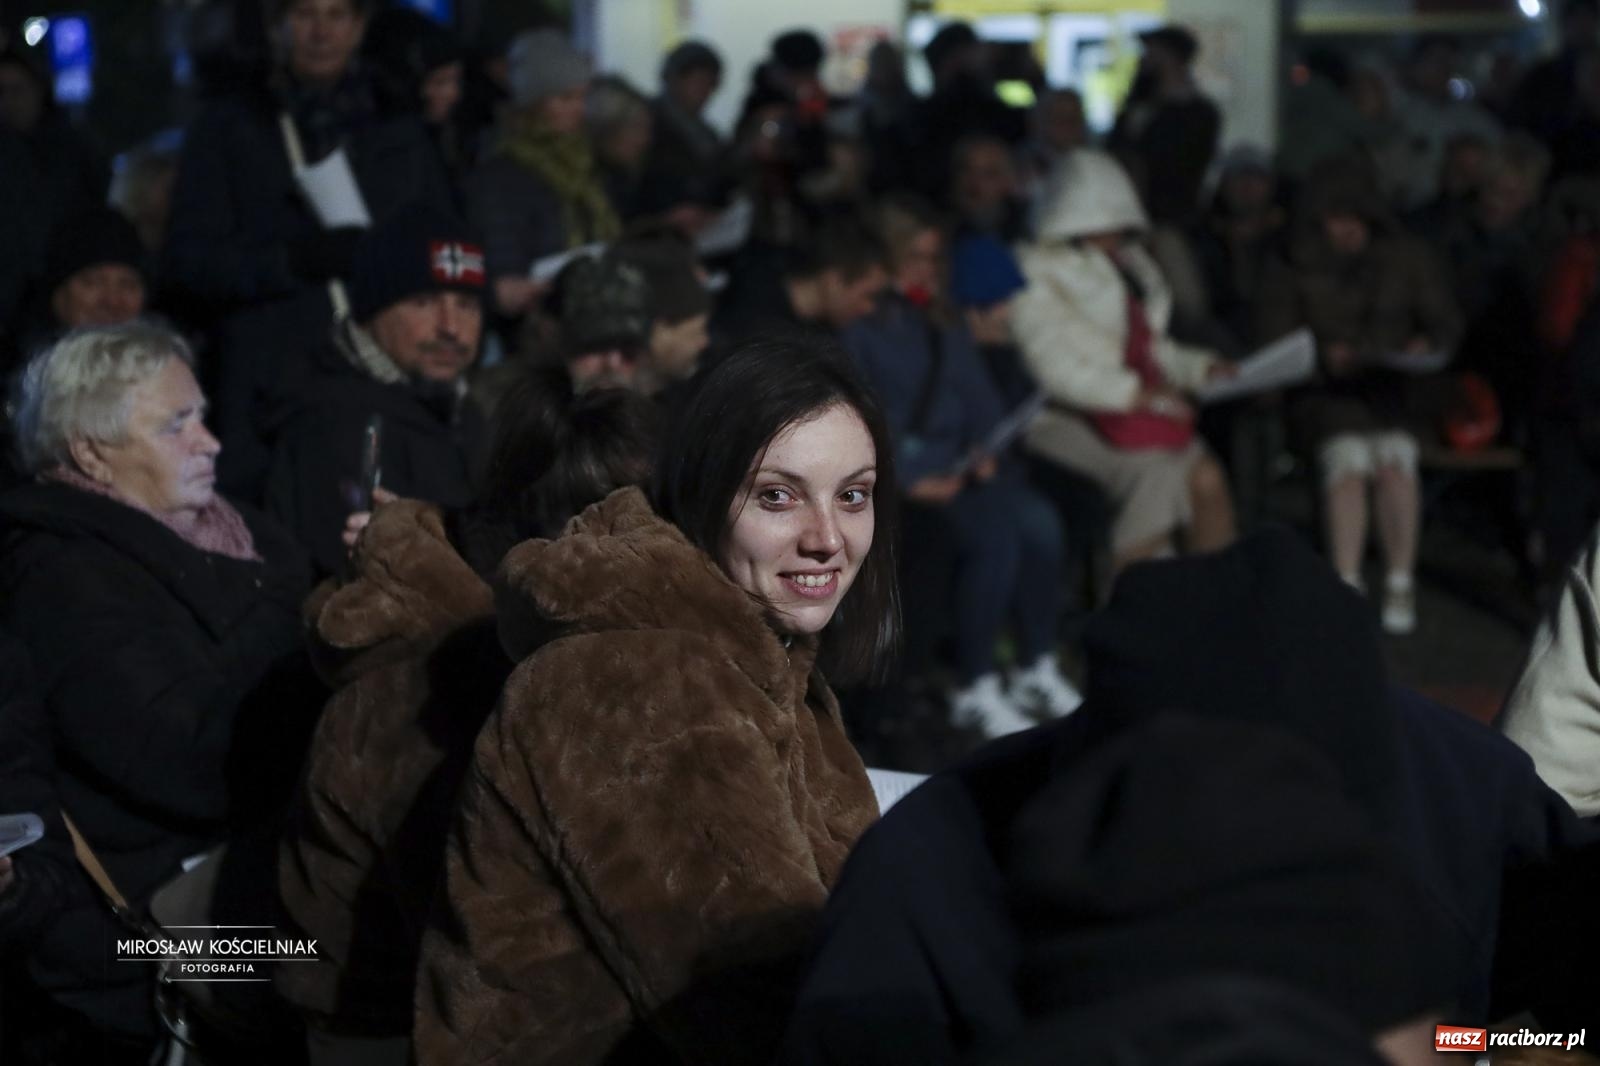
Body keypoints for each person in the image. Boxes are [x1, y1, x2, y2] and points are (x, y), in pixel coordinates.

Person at [413, 337, 896, 1065]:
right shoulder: (638, 679)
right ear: (702, 495)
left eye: (852, 495)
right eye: (777, 495)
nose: (828, 538)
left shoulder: (768, 659)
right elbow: (755, 1003)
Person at [278, 369, 657, 1066]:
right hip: (391, 1028)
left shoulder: (508, 625)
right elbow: (489, 951)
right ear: (582, 545)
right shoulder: (452, 684)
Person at [0, 324, 319, 1056]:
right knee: (339, 965)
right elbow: (189, 761)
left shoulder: (239, 532)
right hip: (148, 931)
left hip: (255, 871)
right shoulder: (61, 575)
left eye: (201, 415)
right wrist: (323, 660)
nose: (210, 443)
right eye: (176, 425)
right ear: (90, 453)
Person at [844, 199, 1081, 735]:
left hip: (962, 467)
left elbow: (978, 398)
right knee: (993, 539)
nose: (926, 270)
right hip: (909, 478)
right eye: (914, 257)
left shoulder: (943, 323)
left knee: (1040, 523)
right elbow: (866, 418)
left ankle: (1034, 662)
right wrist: (912, 479)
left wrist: (986, 447)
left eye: (934, 258)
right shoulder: (864, 331)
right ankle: (974, 682)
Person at [1257, 161, 1462, 634]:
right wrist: (1323, 355)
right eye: (1336, 217)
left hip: (1394, 397)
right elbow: (1274, 339)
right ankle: (1345, 584)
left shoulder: (1406, 259)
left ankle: (1399, 581)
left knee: (1396, 461)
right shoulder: (1292, 265)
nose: (1347, 228)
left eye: (1355, 217)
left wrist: (1424, 344)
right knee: (1347, 461)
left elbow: (1444, 321)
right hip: (1324, 400)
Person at [1011, 149, 1237, 574]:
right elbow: (1050, 364)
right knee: (1158, 472)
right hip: (1062, 417)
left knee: (1207, 479)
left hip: (1138, 411)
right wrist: (1134, 395)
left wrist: (1200, 368)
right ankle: (1130, 591)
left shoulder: (1130, 264)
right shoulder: (1034, 270)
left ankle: (1217, 597)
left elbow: (1150, 347)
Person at [265, 203, 487, 575]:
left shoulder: (465, 411)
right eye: (424, 302)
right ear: (372, 312)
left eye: (466, 304)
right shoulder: (333, 422)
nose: (451, 326)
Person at [466, 28, 615, 324]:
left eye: (582, 97)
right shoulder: (501, 173)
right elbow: (501, 261)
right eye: (565, 98)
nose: (578, 109)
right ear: (534, 103)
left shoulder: (585, 161)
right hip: (537, 321)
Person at [1108, 25, 1221, 227]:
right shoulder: (1138, 108)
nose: (1143, 58)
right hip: (1131, 215)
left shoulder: (1200, 114)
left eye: (1151, 51)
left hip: (1175, 219)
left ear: (1170, 57)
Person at [712, 218, 888, 345]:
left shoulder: (817, 335)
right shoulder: (752, 323)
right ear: (834, 281)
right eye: (867, 295)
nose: (869, 308)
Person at [644, 40, 728, 218]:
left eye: (710, 84)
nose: (704, 91)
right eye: (697, 81)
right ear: (674, 80)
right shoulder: (645, 125)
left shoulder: (706, 133)